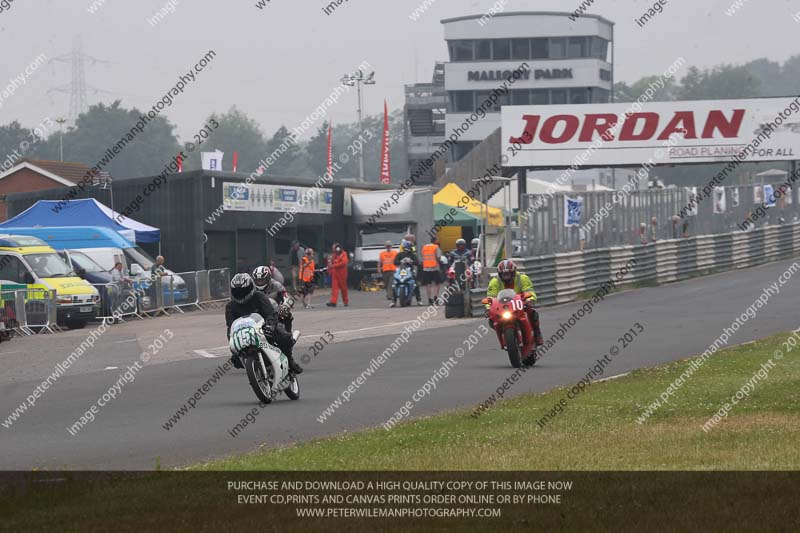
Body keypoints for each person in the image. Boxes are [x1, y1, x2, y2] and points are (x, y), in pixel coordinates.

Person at [225, 273, 303, 374]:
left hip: (264, 327)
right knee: (235, 360)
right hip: (246, 333)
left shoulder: (259, 297)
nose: (241, 293)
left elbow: (270, 313)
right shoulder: (230, 306)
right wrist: (233, 345)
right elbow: (231, 326)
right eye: (237, 291)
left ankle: (289, 359)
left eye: (243, 290)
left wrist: (270, 325)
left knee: (284, 337)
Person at [485, 259, 543, 347]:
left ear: (513, 273)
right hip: (503, 307)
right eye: (504, 275)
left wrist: (529, 300)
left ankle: (537, 333)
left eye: (508, 274)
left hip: (520, 304)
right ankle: (505, 335)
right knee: (491, 320)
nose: (506, 277)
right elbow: (490, 297)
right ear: (500, 274)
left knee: (532, 312)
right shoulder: (494, 282)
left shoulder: (522, 278)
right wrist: (488, 308)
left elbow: (529, 290)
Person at [253, 265, 293, 331]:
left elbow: (287, 298)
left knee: (287, 314)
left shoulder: (277, 285)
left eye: (262, 280)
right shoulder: (252, 288)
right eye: (258, 280)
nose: (260, 282)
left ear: (268, 278)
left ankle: (287, 334)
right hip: (257, 313)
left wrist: (284, 307)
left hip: (275, 312)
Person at [392, 239, 422, 307]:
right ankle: (393, 301)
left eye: (408, 248)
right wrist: (401, 262)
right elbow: (395, 262)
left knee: (415, 285)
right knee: (394, 284)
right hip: (401, 271)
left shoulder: (412, 255)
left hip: (410, 271)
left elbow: (417, 262)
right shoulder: (399, 254)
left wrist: (411, 261)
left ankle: (419, 300)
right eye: (407, 248)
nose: (407, 249)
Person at [420, 236, 443, 305]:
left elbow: (422, 256)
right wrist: (441, 264)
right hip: (435, 268)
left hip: (426, 268)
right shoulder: (436, 247)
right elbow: (438, 257)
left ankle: (429, 299)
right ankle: (435, 298)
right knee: (437, 283)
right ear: (435, 241)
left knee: (428, 284)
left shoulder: (424, 247)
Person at [327, 243, 349, 307]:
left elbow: (343, 263)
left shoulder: (344, 254)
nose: (333, 250)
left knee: (343, 288)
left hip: (342, 273)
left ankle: (345, 301)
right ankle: (333, 302)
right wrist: (330, 269)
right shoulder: (334, 255)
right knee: (334, 288)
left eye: (334, 248)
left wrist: (333, 265)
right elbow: (330, 263)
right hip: (335, 273)